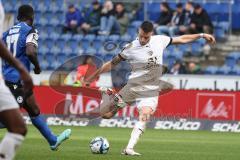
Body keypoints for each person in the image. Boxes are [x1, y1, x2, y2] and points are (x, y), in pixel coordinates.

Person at [84, 21, 215, 156]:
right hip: (133, 87)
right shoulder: (130, 48)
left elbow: (182, 39)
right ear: (139, 32)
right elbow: (112, 63)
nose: (142, 39)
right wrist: (94, 75)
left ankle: (129, 148)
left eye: (145, 37)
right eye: (140, 35)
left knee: (144, 116)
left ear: (151, 34)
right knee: (106, 115)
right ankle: (107, 93)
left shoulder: (160, 40)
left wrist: (202, 35)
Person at [2, 5, 71, 151]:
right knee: (9, 119)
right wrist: (37, 67)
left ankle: (53, 140)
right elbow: (30, 52)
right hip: (16, 80)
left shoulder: (6, 33)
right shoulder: (30, 30)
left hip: (7, 76)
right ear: (32, 17)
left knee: (34, 109)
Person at [0, 1, 33, 159]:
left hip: (3, 77)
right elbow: (30, 51)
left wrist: (20, 68)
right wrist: (21, 68)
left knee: (19, 128)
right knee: (18, 125)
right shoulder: (30, 30)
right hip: (11, 78)